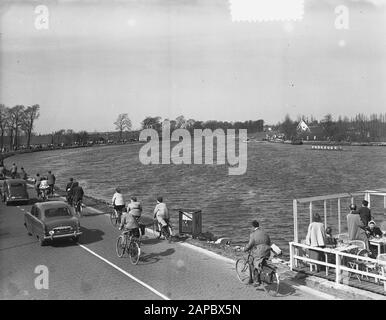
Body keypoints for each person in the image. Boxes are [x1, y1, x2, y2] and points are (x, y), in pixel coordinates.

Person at [242, 220, 271, 285]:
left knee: (251, 262)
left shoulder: (253, 234)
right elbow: (268, 242)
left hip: (259, 252)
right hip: (267, 251)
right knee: (261, 263)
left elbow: (250, 244)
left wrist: (244, 249)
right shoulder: (264, 232)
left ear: (252, 227)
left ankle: (256, 281)